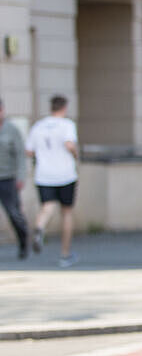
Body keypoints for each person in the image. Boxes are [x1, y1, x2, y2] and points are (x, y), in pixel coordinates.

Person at [27, 95, 79, 267]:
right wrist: (75, 155)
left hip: (44, 174)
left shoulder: (38, 126)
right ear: (64, 108)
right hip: (65, 174)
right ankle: (65, 254)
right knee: (66, 212)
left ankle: (40, 227)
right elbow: (70, 145)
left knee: (47, 206)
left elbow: (29, 151)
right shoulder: (67, 125)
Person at [0, 97, 30, 259]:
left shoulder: (11, 130)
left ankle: (23, 240)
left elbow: (20, 155)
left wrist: (21, 177)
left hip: (7, 178)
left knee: (13, 213)